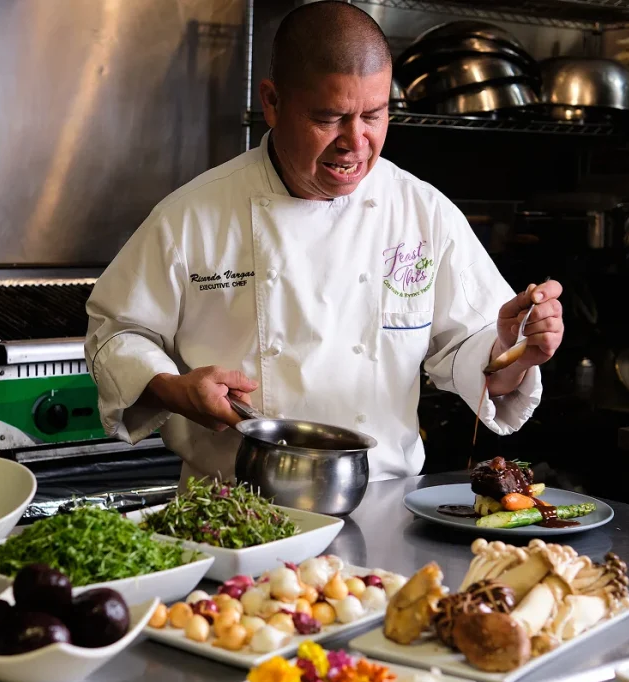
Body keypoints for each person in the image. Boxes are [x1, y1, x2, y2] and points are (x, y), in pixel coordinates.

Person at [85, 1, 563, 487]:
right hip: (234, 510)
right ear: (272, 102)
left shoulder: (422, 212)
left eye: (374, 116)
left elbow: (477, 362)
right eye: (330, 117)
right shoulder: (191, 216)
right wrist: (172, 389)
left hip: (380, 504)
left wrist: (513, 349)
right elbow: (117, 333)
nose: (355, 142)